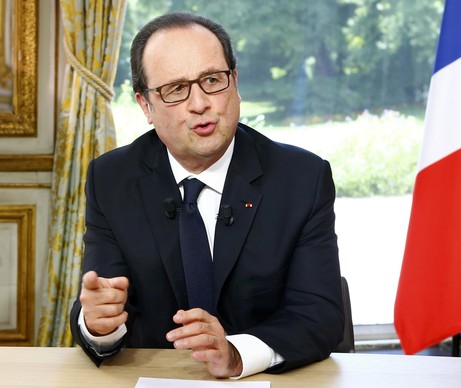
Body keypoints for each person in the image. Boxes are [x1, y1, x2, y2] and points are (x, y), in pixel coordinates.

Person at [69, 11, 344, 379]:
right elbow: (104, 301)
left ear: (235, 83)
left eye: (213, 80)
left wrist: (236, 354)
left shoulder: (301, 178)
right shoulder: (112, 179)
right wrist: (100, 325)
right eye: (176, 89)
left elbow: (319, 315)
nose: (199, 103)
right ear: (146, 106)